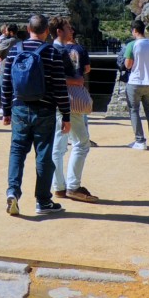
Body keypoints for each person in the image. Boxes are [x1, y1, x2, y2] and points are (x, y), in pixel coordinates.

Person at [1, 14, 70, 216]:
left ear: (27, 29)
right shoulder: (51, 53)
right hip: (45, 110)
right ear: (47, 31)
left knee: (17, 151)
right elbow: (60, 87)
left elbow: (6, 83)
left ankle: (13, 192)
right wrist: (66, 115)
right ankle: (43, 201)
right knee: (44, 154)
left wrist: (6, 111)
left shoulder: (15, 50)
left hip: (19, 108)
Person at [49, 18, 98, 203]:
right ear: (60, 31)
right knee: (82, 143)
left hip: (59, 100)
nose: (72, 30)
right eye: (69, 28)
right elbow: (57, 77)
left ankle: (59, 187)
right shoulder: (59, 50)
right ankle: (73, 186)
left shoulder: (54, 49)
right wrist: (75, 81)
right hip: (68, 99)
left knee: (58, 146)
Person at [124, 20, 149, 150]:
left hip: (135, 82)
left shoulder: (132, 45)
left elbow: (128, 65)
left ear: (135, 30)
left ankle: (140, 141)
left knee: (134, 111)